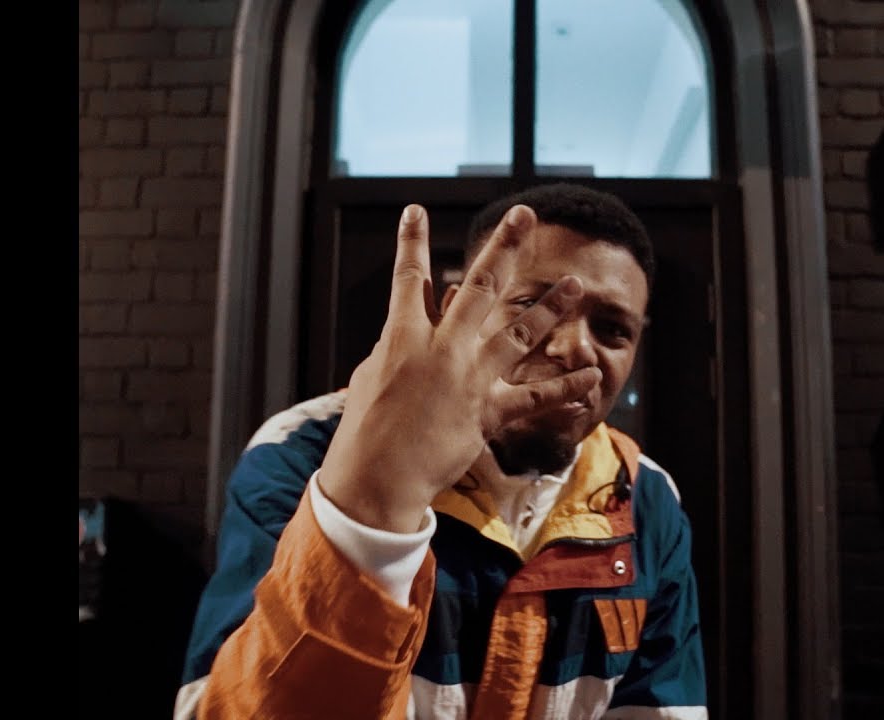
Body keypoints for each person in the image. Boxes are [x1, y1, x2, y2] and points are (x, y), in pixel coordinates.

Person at [174, 184, 707, 719]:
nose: (575, 348)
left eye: (612, 329)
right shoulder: (304, 453)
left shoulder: (645, 497)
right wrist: (369, 511)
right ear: (457, 314)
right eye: (534, 306)